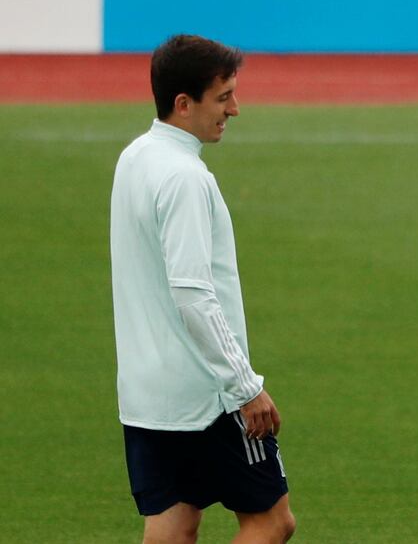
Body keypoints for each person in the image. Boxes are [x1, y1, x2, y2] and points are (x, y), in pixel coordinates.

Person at [110, 34, 295, 543]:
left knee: (172, 526)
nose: (235, 109)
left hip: (147, 396)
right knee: (272, 522)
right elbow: (193, 294)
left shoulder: (134, 159)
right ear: (183, 103)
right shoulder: (184, 177)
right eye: (223, 97)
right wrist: (245, 386)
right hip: (206, 396)